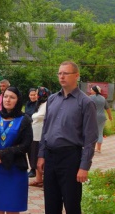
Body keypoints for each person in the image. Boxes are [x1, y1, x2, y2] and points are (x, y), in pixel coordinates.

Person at [37, 61, 98, 214]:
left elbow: (91, 137)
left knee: (72, 205)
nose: (62, 76)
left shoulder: (85, 102)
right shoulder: (52, 99)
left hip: (70, 158)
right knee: (51, 204)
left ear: (76, 76)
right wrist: (41, 155)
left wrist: (84, 166)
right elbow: (46, 129)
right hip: (50, 157)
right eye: (60, 73)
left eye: (66, 73)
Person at [0, 86, 32, 213]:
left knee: (13, 206)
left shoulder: (24, 120)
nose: (8, 100)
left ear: (18, 100)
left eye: (12, 97)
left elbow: (26, 145)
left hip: (15, 169)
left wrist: (3, 153)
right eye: (5, 96)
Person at [29, 87, 50, 188]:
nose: (36, 95)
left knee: (42, 156)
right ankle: (38, 179)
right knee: (35, 155)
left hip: (41, 134)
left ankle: (46, 181)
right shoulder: (40, 104)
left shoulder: (47, 104)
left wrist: (34, 116)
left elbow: (41, 116)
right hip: (35, 134)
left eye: (37, 93)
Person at [89, 85, 112, 153]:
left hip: (92, 117)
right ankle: (98, 149)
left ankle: (92, 148)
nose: (90, 91)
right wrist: (110, 116)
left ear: (94, 91)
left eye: (91, 90)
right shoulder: (103, 98)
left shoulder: (89, 98)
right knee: (100, 133)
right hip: (102, 117)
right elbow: (107, 108)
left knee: (91, 133)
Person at [24, 87, 37, 177]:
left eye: (34, 95)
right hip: (28, 128)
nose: (32, 97)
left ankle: (35, 168)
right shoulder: (28, 104)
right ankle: (31, 167)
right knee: (29, 149)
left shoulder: (38, 104)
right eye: (31, 95)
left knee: (34, 150)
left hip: (36, 128)